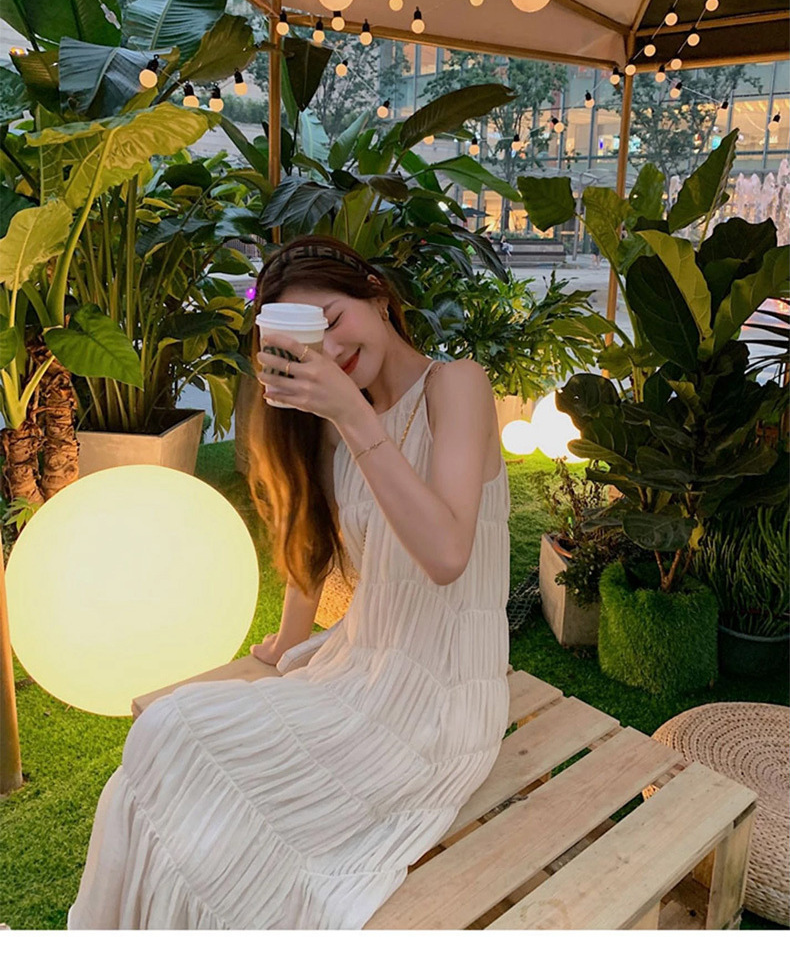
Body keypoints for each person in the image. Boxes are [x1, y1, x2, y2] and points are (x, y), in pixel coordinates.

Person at [68, 235, 511, 929]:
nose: (331, 352)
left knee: (176, 736)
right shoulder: (337, 422)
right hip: (361, 670)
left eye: (332, 321)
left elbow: (447, 553)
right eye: (307, 344)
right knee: (157, 759)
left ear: (376, 294)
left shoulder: (455, 386)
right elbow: (313, 543)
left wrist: (350, 413)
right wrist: (286, 641)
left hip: (441, 703)